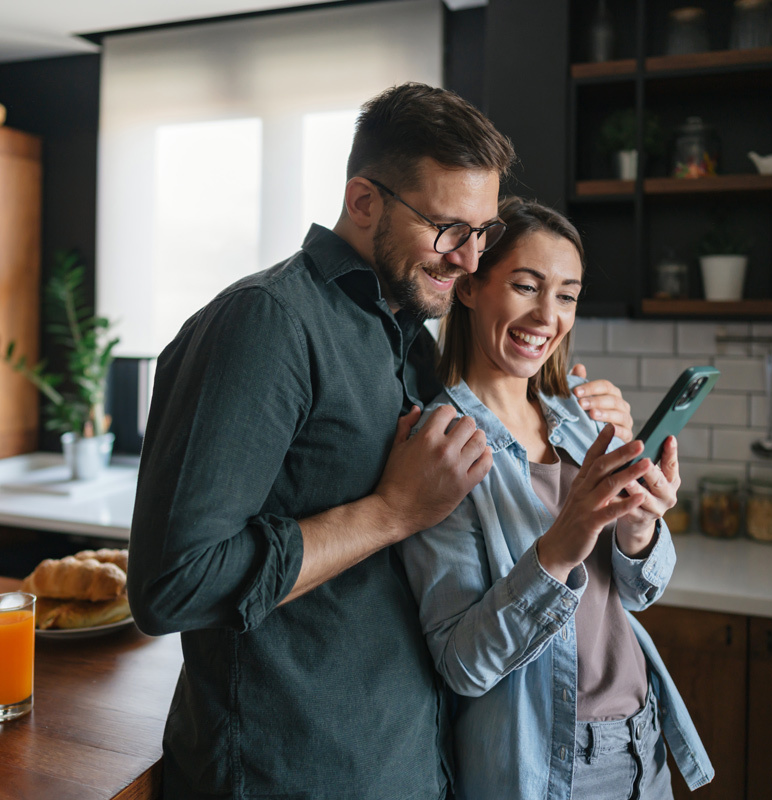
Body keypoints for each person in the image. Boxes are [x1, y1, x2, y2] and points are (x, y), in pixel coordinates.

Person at [128, 84, 634, 800]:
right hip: (290, 774)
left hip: (408, 767)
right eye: (448, 228)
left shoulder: (411, 346)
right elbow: (172, 586)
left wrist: (565, 405)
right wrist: (392, 511)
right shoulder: (265, 323)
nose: (468, 259)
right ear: (363, 201)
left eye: (483, 232)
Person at [398, 196, 714, 800]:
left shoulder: (576, 416)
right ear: (468, 287)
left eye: (566, 295)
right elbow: (463, 665)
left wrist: (639, 528)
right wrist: (561, 545)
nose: (548, 315)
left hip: (642, 738)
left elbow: (638, 593)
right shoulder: (442, 447)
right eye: (525, 285)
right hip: (550, 762)